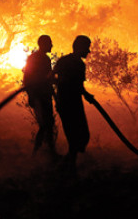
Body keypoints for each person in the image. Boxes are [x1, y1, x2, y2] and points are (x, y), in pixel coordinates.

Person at [54, 35, 94, 174]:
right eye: (87, 47)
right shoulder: (78, 64)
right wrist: (86, 95)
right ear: (80, 47)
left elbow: (51, 77)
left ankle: (68, 165)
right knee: (79, 136)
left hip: (65, 103)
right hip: (71, 104)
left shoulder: (64, 61)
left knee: (76, 136)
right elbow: (78, 86)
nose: (88, 51)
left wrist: (57, 96)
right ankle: (68, 167)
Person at [22, 35, 57, 156]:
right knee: (45, 124)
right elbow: (27, 78)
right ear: (43, 44)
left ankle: (48, 151)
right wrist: (32, 96)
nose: (52, 45)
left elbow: (47, 79)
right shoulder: (35, 58)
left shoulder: (45, 59)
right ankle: (38, 153)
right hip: (39, 97)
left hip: (45, 96)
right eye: (50, 43)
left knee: (49, 123)